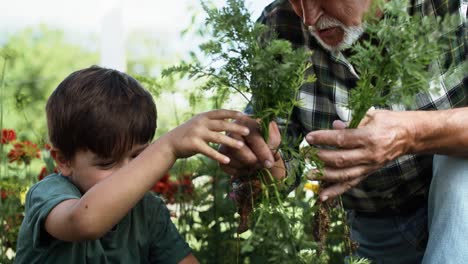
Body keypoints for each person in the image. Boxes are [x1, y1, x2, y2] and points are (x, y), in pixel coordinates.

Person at [219, 0, 467, 263]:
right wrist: (258, 153)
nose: (308, 18)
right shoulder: (279, 27)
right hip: (378, 226)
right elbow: (280, 170)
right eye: (296, 1)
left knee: (457, 170)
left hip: (460, 195)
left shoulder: (447, 7)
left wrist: (411, 133)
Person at [15, 66, 250, 263]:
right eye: (107, 163)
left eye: (138, 157)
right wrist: (168, 147)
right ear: (63, 161)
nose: (130, 172)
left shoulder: (148, 211)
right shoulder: (49, 194)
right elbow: (84, 222)